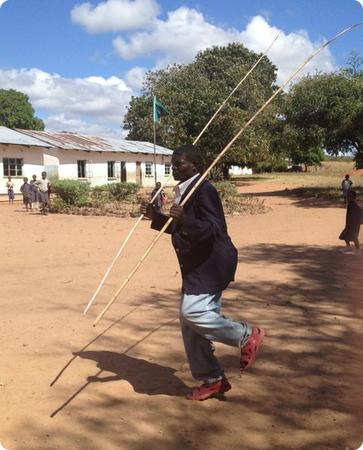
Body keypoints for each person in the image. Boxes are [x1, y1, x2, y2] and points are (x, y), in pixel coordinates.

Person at [141, 144, 265, 401]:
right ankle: (212, 379)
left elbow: (214, 230)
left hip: (211, 263)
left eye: (180, 164)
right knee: (189, 324)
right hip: (195, 265)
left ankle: (246, 335)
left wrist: (185, 219)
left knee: (193, 312)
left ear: (194, 166)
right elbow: (180, 227)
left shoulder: (204, 190)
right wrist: (156, 216)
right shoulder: (183, 190)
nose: (174, 168)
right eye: (173, 164)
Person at [339, 190, 362, 256]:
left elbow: (360, 211)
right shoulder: (350, 204)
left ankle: (358, 250)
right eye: (347, 196)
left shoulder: (354, 204)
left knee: (354, 237)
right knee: (345, 235)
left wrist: (358, 221)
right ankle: (348, 247)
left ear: (354, 197)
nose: (348, 198)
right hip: (349, 224)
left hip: (354, 224)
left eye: (350, 196)